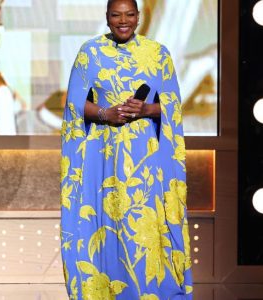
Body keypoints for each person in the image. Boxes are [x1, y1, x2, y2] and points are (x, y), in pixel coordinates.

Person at [60, 0, 193, 298]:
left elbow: (172, 106)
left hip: (145, 157)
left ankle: (148, 290)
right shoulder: (90, 52)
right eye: (116, 15)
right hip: (103, 154)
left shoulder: (158, 54)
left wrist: (146, 109)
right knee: (108, 220)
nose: (123, 21)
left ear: (139, 17)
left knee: (142, 223)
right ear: (106, 18)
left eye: (129, 14)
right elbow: (74, 104)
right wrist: (107, 114)